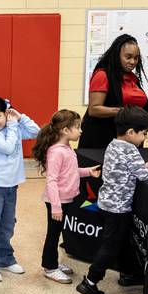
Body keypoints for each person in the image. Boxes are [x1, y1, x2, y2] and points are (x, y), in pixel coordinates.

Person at [76, 107, 148, 294]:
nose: (145, 137)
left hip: (107, 203)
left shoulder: (113, 144)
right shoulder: (131, 149)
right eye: (144, 133)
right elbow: (143, 175)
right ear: (131, 132)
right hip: (119, 208)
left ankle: (129, 273)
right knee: (111, 246)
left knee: (121, 240)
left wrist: (142, 165)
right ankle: (90, 281)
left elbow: (125, 169)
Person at [32, 110, 101, 284]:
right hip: (57, 202)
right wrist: (56, 207)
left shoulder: (67, 148)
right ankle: (50, 267)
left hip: (66, 199)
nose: (81, 131)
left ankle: (53, 262)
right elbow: (52, 180)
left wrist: (88, 172)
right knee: (53, 234)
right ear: (65, 130)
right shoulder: (56, 152)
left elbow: (70, 172)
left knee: (58, 232)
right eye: (77, 127)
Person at [0, 96, 40, 282]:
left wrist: (20, 117)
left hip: (12, 185)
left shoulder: (13, 126)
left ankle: (5, 258)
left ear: (6, 113)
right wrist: (13, 124)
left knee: (7, 225)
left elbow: (36, 132)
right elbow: (7, 148)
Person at [79, 34, 148, 150]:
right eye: (128, 57)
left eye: (136, 58)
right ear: (117, 55)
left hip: (128, 139)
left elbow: (134, 103)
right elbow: (94, 109)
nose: (133, 62)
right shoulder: (103, 75)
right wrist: (124, 112)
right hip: (102, 138)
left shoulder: (132, 77)